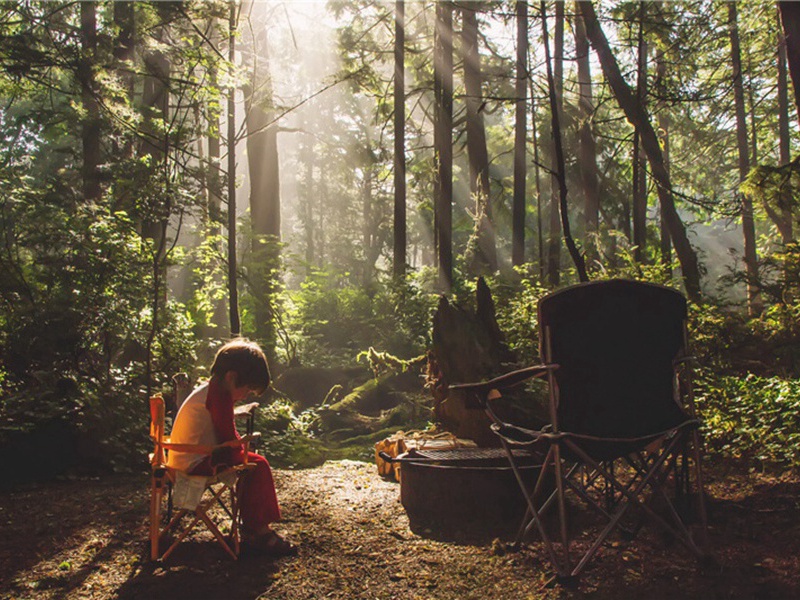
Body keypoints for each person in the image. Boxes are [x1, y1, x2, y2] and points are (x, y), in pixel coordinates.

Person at [167, 338, 296, 556]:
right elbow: (227, 436)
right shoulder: (219, 396)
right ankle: (259, 530)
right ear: (232, 377)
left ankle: (254, 526)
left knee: (251, 463)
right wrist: (244, 447)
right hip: (195, 461)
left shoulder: (211, 390)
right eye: (247, 389)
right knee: (258, 465)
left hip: (186, 455)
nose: (245, 395)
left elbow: (222, 431)